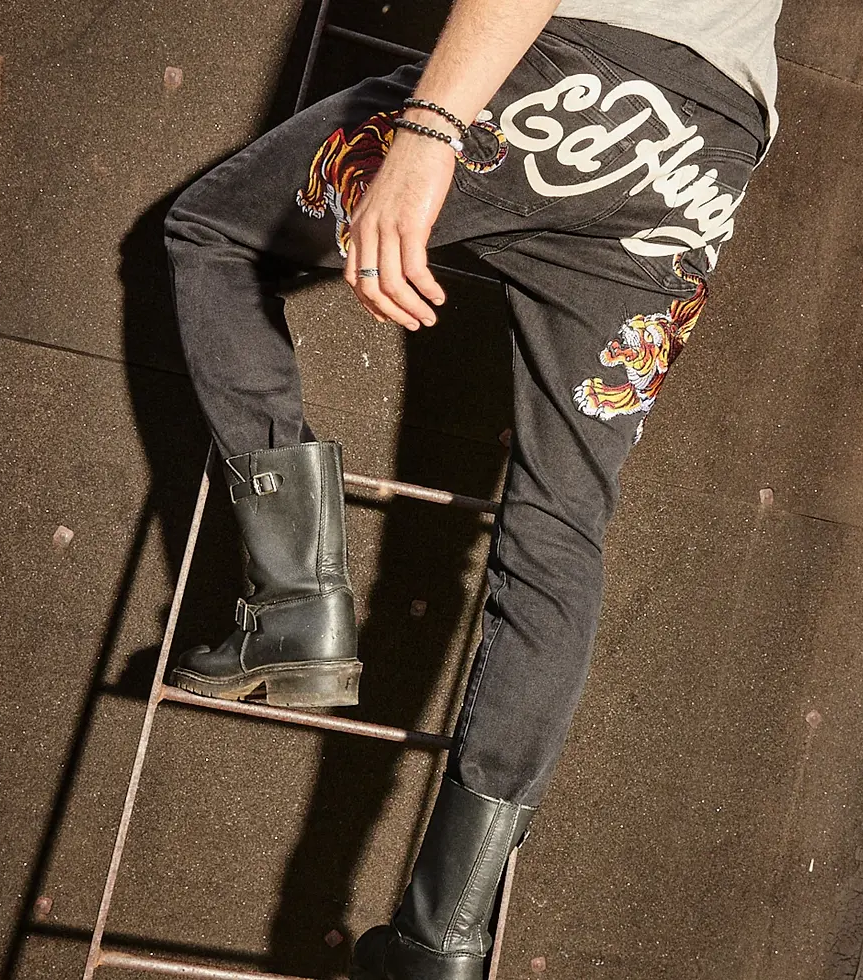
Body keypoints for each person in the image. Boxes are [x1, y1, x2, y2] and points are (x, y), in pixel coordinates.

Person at [163, 1, 782, 977]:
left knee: (214, 234)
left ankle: (292, 597)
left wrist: (426, 129)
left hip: (573, 71)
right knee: (562, 520)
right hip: (704, 152)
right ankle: (440, 937)